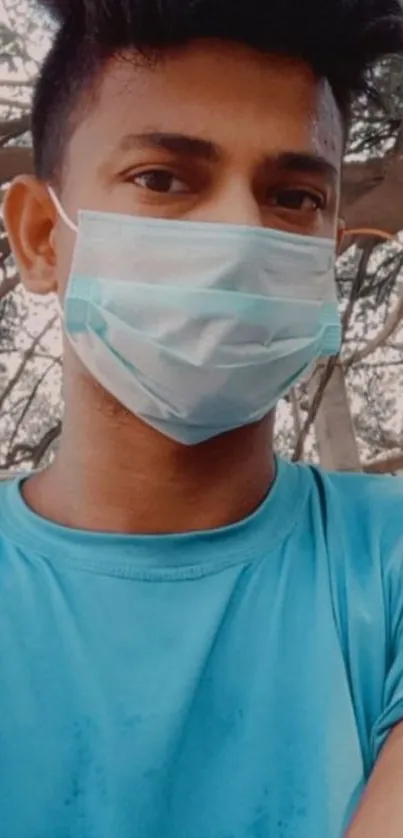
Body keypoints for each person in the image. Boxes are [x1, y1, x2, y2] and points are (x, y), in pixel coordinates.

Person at [2, 0, 403, 835]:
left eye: (292, 197)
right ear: (41, 236)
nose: (237, 237)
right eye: (163, 179)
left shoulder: (387, 568)